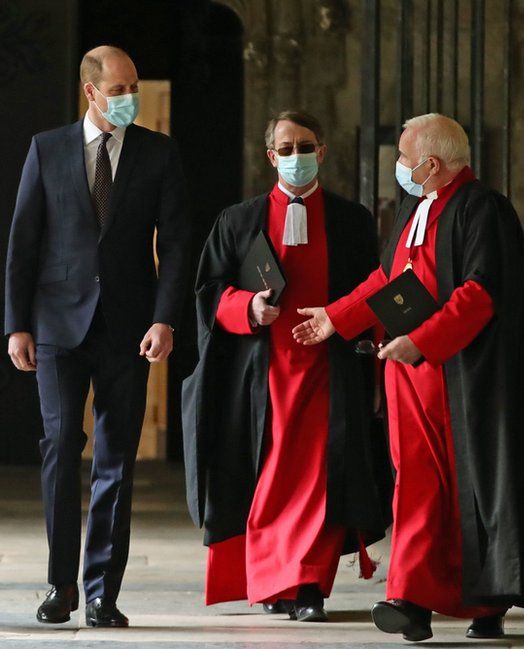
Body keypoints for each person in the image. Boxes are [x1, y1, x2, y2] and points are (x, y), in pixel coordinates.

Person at [294, 113, 524, 642]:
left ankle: (484, 604)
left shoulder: (482, 210)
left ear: (430, 164)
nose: (399, 168)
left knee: (468, 490)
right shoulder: (415, 209)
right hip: (409, 376)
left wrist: (422, 341)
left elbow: (480, 294)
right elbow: (390, 281)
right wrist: (336, 317)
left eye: (404, 159)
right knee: (417, 488)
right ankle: (410, 599)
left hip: (460, 380)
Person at [4, 45, 189, 627]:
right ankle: (61, 586)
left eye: (133, 86)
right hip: (57, 325)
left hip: (129, 326)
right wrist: (17, 324)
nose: (130, 96)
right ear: (91, 92)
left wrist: (165, 317)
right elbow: (23, 242)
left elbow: (179, 243)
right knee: (61, 448)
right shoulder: (47, 148)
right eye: (120, 88)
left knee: (117, 459)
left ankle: (104, 592)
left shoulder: (159, 152)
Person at [182, 110, 392, 621]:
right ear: (271, 156)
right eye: (286, 147)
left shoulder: (352, 220)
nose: (296, 156)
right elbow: (208, 293)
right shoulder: (236, 220)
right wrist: (246, 307)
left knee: (319, 479)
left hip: (330, 373)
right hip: (259, 377)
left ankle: (307, 587)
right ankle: (277, 582)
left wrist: (348, 325)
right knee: (270, 479)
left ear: (321, 151)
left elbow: (377, 290)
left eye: (306, 146)